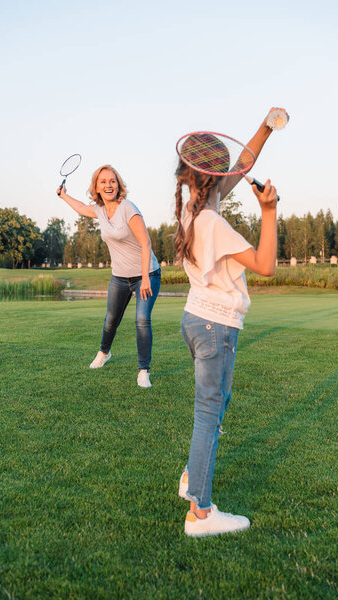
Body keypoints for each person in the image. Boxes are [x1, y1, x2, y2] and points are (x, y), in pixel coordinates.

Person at [175, 108, 284, 536]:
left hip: (196, 319)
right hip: (215, 325)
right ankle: (199, 513)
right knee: (209, 414)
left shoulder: (193, 208)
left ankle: (191, 477)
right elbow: (265, 265)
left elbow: (243, 163)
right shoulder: (212, 222)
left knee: (215, 406)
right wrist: (270, 210)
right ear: (212, 176)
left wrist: (266, 127)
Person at [57, 164, 160, 388]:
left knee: (142, 320)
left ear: (118, 184)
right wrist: (64, 196)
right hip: (120, 277)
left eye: (112, 181)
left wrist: (144, 278)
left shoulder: (128, 208)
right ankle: (104, 353)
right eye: (103, 182)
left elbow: (146, 242)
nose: (108, 185)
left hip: (147, 273)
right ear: (97, 187)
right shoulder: (100, 210)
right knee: (111, 320)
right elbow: (82, 208)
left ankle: (144, 370)